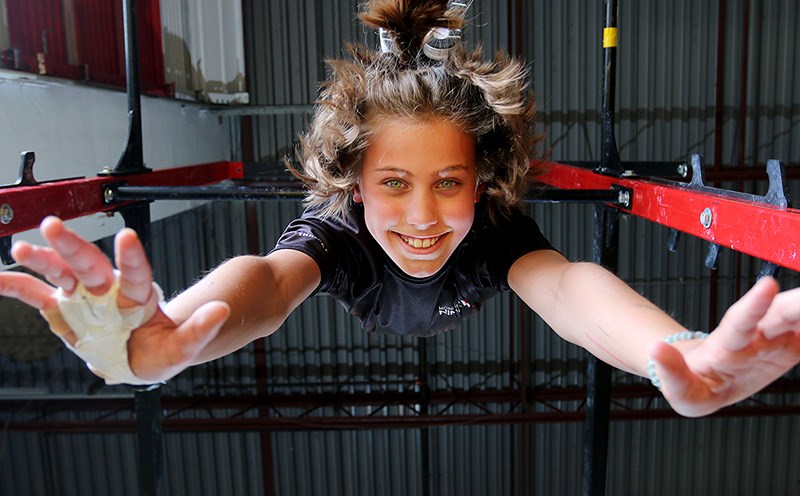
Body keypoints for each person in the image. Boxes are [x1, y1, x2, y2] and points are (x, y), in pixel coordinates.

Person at [1, 0, 798, 417]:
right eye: (392, 183)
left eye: (448, 182)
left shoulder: (491, 231)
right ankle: (415, 70)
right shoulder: (335, 235)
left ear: (479, 184)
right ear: (354, 187)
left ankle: (423, 65)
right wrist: (175, 331)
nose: (423, 216)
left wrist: (678, 349)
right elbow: (270, 285)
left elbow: (564, 290)